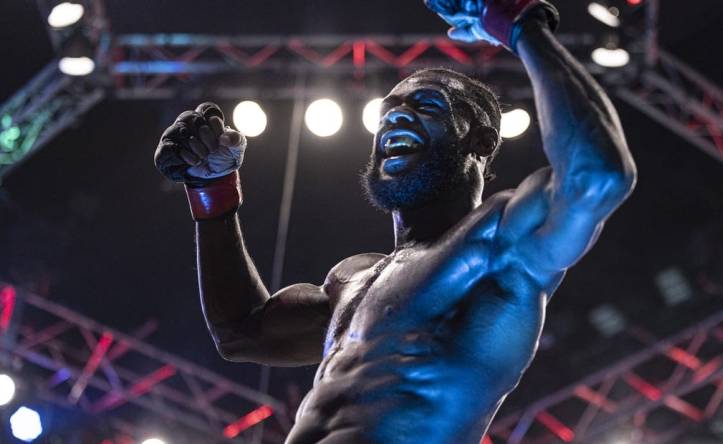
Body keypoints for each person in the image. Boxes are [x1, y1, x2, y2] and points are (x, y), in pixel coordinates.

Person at [153, 1, 636, 442]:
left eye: (426, 107)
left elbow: (597, 176)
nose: (395, 119)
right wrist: (211, 188)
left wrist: (519, 23)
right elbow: (240, 332)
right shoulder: (353, 277)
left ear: (483, 142)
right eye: (388, 112)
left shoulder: (497, 243)